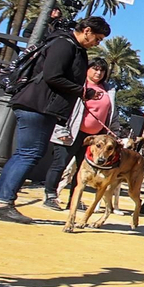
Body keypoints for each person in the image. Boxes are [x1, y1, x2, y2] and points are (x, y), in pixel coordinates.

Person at [0, 17, 110, 223]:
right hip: (38, 105)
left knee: (24, 154)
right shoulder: (64, 45)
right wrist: (82, 91)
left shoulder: (70, 46)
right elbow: (53, 76)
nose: (97, 43)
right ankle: (3, 202)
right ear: (87, 31)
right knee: (29, 154)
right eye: (98, 38)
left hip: (41, 106)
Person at [41, 57, 114, 210]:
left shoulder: (108, 90)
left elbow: (112, 113)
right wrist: (61, 129)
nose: (98, 73)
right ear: (87, 69)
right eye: (95, 69)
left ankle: (74, 200)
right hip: (72, 133)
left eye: (102, 70)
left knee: (83, 170)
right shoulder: (77, 85)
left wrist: (113, 132)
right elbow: (63, 106)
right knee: (60, 164)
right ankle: (50, 196)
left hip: (94, 140)